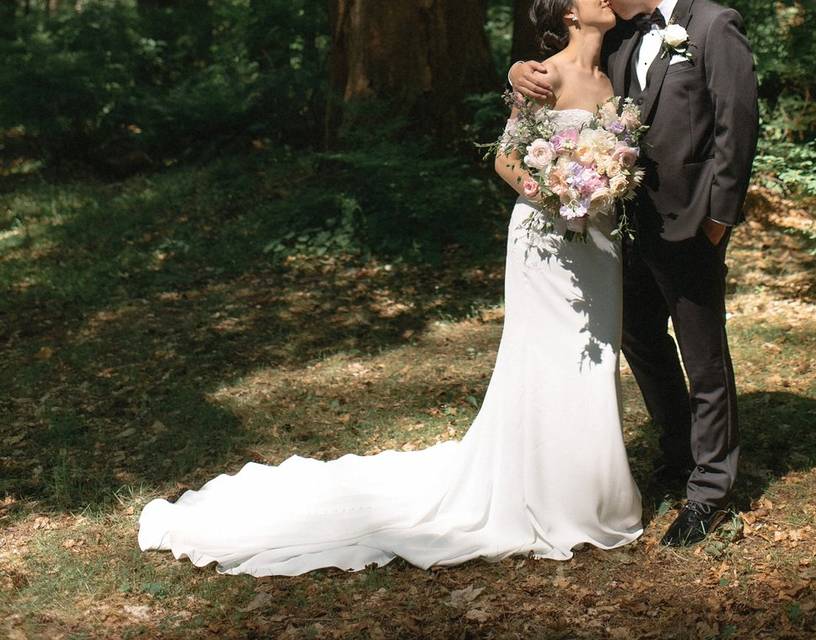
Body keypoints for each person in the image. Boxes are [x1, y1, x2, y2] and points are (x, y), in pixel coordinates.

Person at [137, 0, 646, 577]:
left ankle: (592, 488)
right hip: (544, 236)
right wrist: (554, 192)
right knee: (542, 356)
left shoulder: (615, 76)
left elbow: (622, 153)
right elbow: (506, 159)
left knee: (595, 356)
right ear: (569, 14)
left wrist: (604, 186)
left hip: (601, 241)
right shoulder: (543, 74)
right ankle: (543, 493)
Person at [509, 0, 759, 546]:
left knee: (704, 356)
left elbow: (736, 124)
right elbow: (566, 66)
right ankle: (678, 455)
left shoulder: (714, 25)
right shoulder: (620, 37)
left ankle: (711, 492)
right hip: (623, 226)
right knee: (640, 341)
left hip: (693, 223)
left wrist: (718, 219)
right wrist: (515, 70)